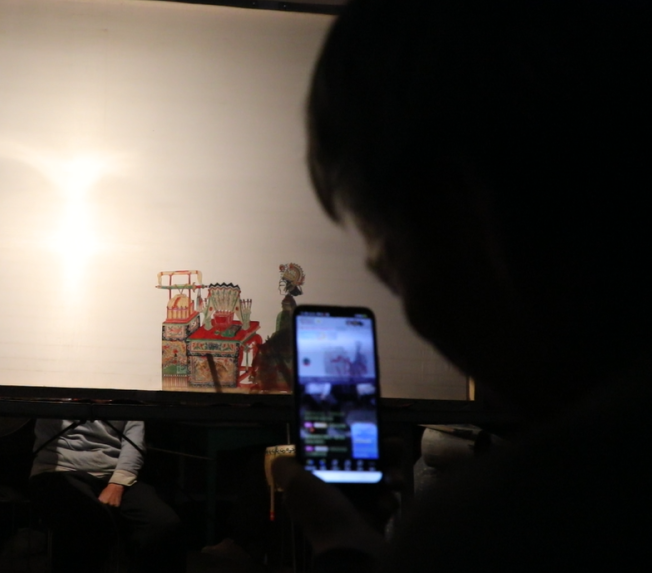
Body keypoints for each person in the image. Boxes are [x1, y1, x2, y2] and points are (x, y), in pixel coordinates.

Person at [273, 1, 652, 572]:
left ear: (455, 211)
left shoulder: (514, 521)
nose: (389, 281)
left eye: (385, 243)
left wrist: (344, 550)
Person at [29, 419, 183, 573]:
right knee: (87, 519)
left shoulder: (129, 404)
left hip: (114, 473)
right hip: (59, 469)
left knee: (162, 523)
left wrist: (118, 482)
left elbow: (134, 441)